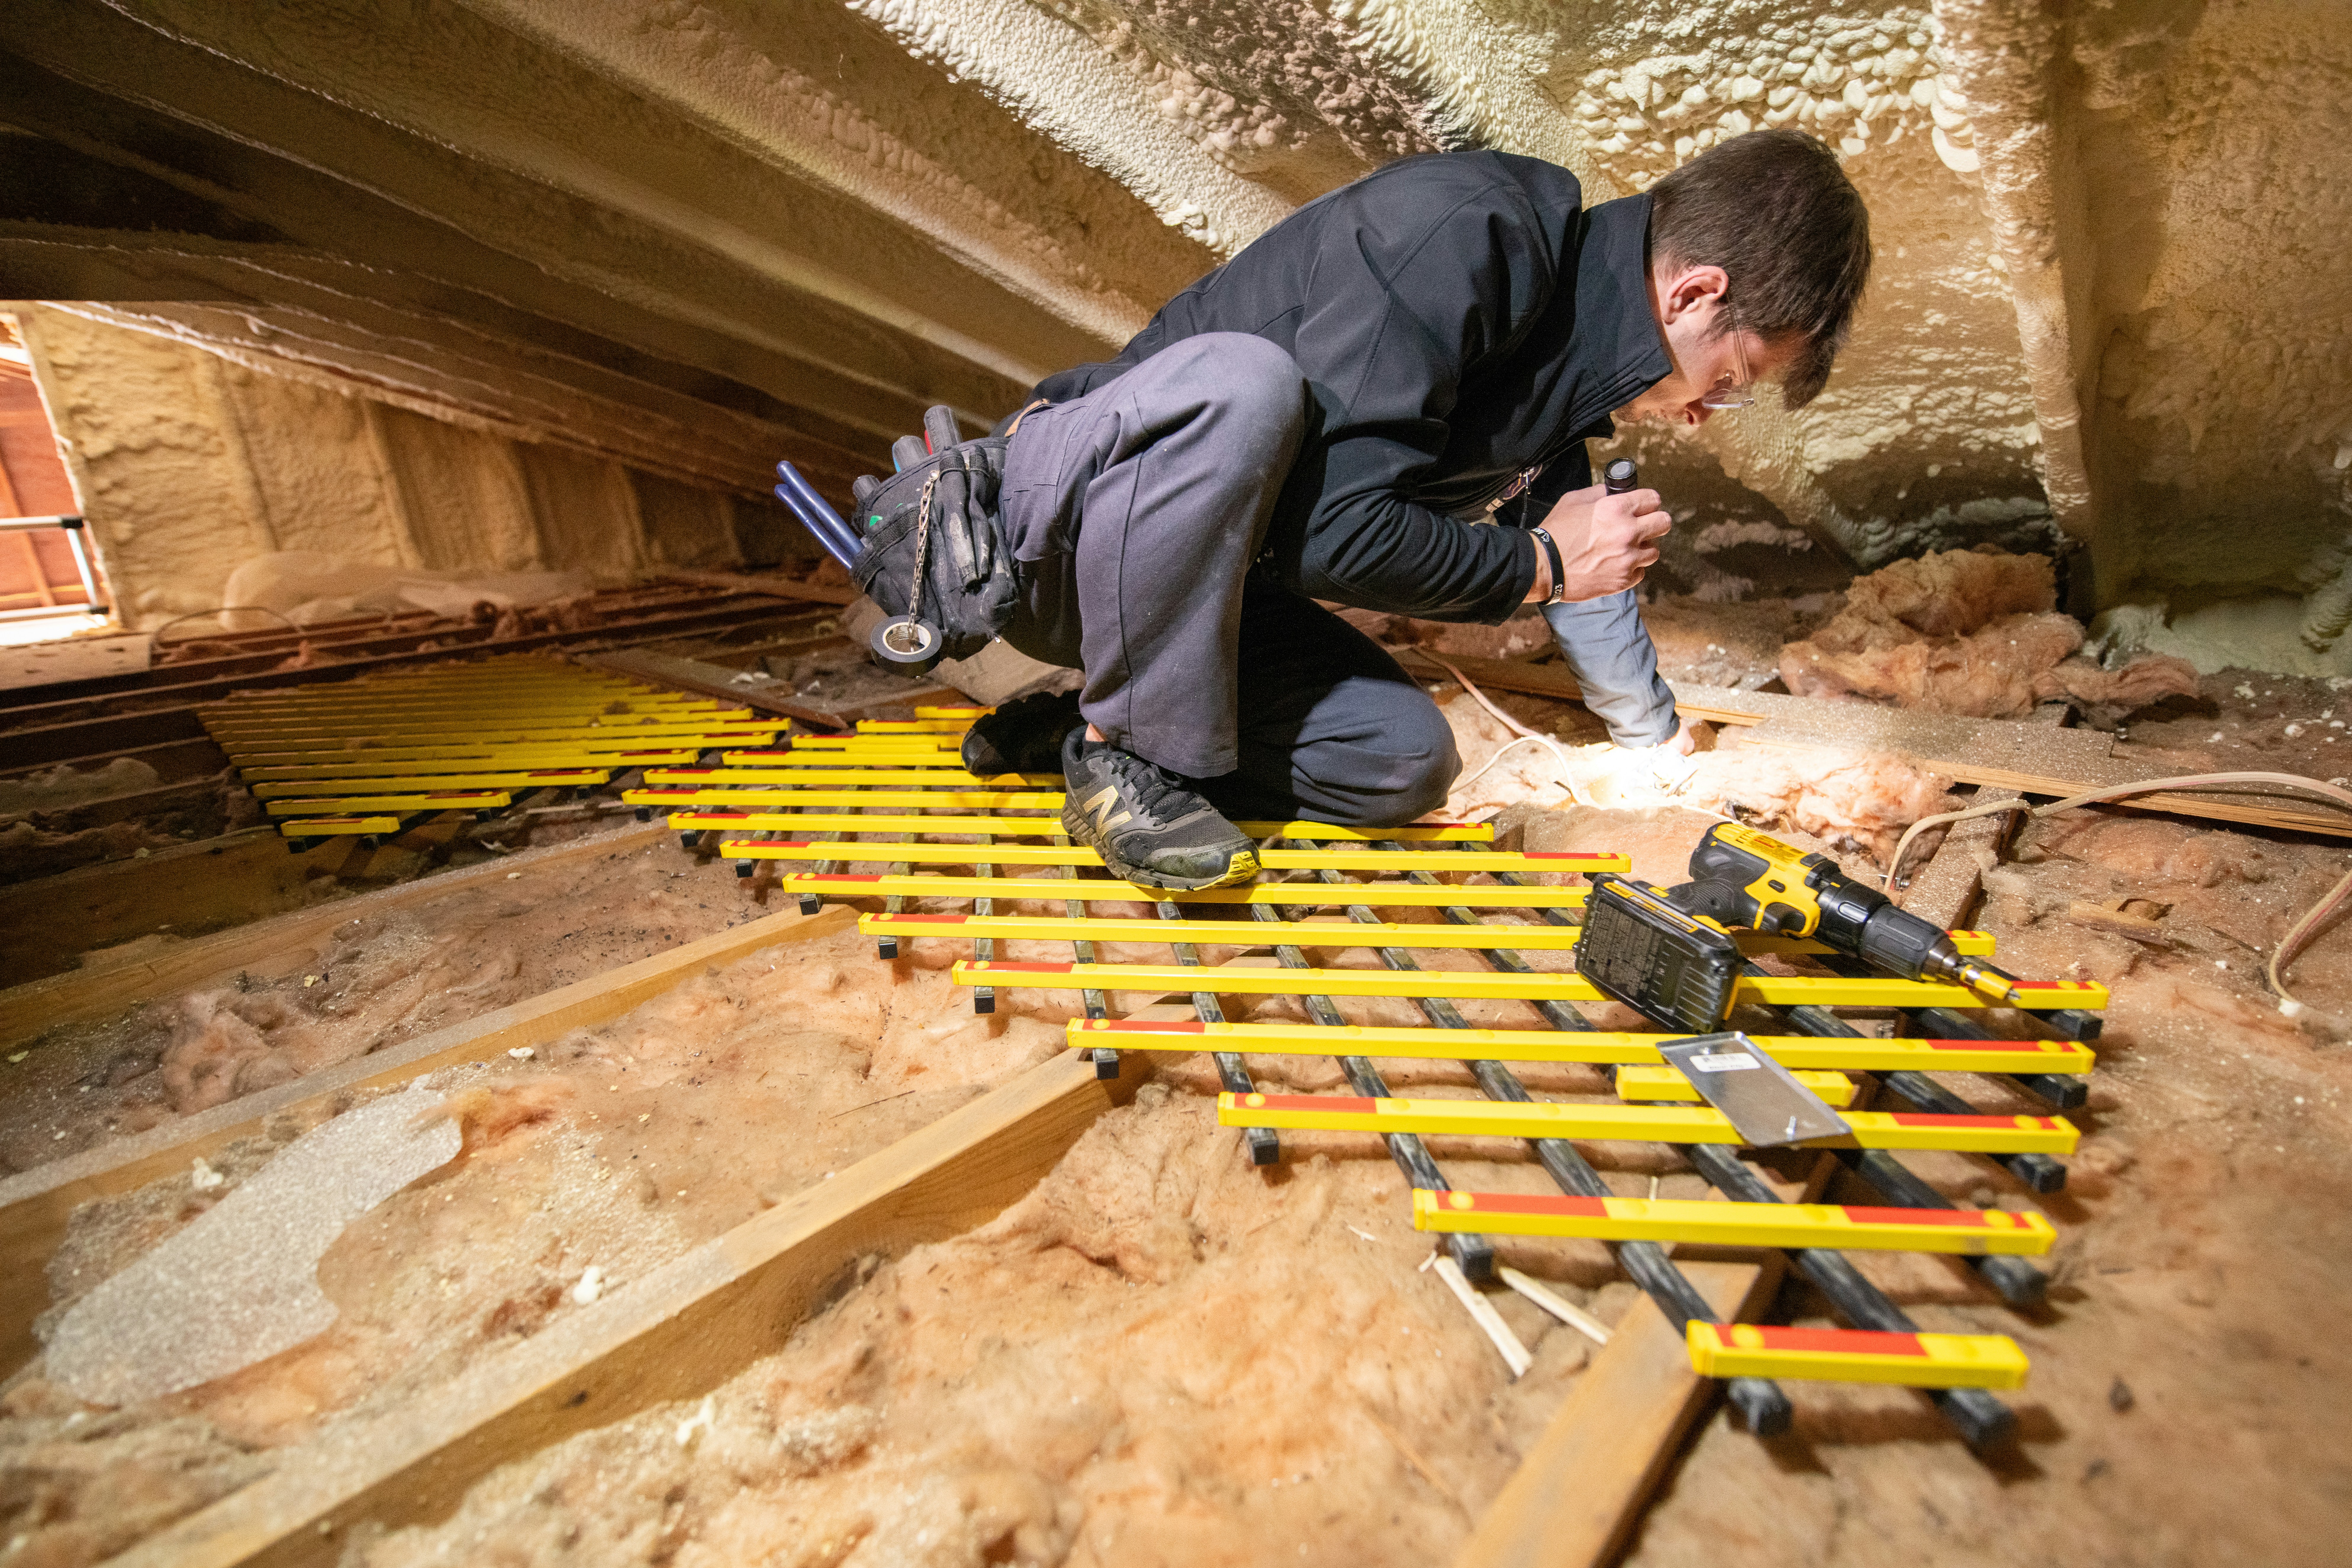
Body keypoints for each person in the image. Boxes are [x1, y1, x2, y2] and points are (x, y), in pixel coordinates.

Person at [957, 128, 1871, 889]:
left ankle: (1086, 729)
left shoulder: (1567, 373)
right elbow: (1333, 535)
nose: (1709, 412)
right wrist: (1540, 566)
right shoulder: (1469, 234)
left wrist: (1655, 733)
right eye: (1734, 378)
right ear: (1695, 293)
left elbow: (1571, 551)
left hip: (1210, 594)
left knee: (1401, 762)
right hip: (1070, 538)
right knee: (1246, 388)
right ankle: (1130, 748)